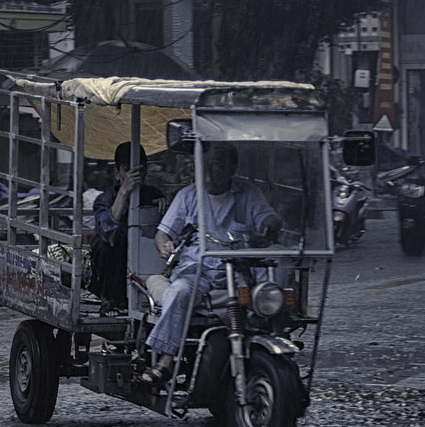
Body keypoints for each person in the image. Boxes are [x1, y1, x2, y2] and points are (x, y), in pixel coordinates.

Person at [140, 143, 281, 386]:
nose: (214, 168)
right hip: (198, 269)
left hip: (238, 270)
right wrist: (164, 245)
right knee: (180, 291)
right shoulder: (188, 195)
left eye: (221, 163)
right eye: (211, 162)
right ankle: (166, 360)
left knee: (267, 288)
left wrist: (272, 221)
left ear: (233, 167)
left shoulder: (248, 194)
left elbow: (265, 217)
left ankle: (267, 345)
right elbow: (162, 233)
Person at [88, 142, 163, 311]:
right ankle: (109, 301)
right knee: (108, 243)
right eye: (128, 170)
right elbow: (106, 231)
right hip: (110, 275)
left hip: (146, 265)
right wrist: (124, 191)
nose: (134, 175)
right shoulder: (105, 199)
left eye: (139, 169)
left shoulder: (153, 195)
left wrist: (161, 208)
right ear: (117, 173)